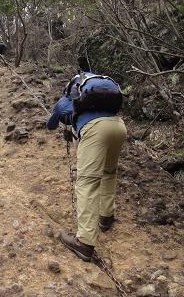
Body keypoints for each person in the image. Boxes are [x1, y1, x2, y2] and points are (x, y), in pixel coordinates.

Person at [46, 71, 127, 262]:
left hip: (94, 130)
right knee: (109, 173)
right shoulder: (100, 94)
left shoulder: (66, 100)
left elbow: (50, 124)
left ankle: (84, 242)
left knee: (87, 183)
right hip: (118, 126)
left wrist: (58, 119)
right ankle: (106, 217)